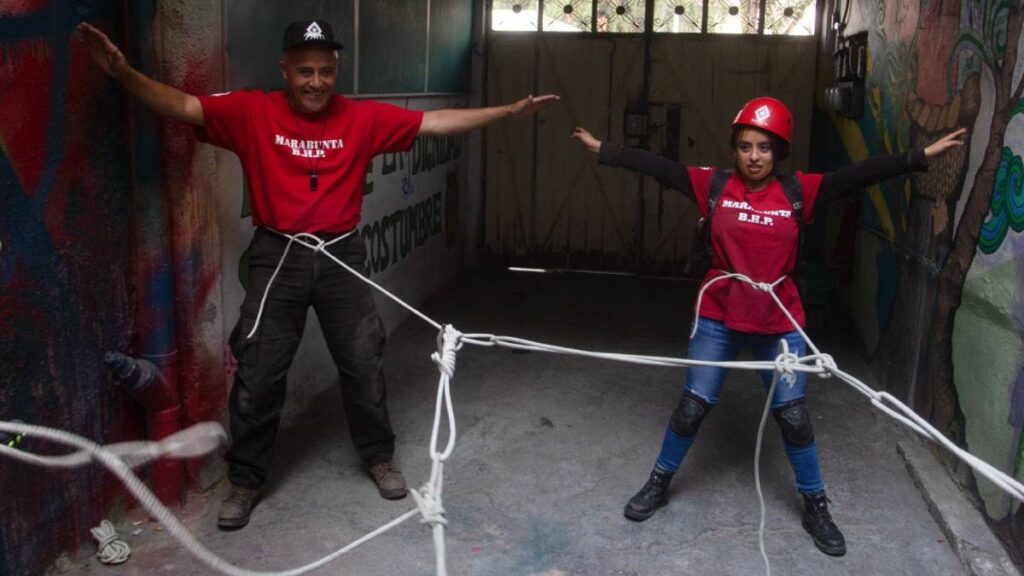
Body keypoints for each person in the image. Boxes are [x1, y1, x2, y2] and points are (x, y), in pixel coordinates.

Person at [78, 18, 559, 531]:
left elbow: (435, 122)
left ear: (337, 71)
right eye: (305, 70)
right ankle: (245, 480)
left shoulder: (362, 118)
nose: (316, 82)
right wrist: (125, 73)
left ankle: (378, 457)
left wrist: (508, 111)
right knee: (260, 373)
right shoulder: (251, 111)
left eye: (326, 71)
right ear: (284, 69)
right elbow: (182, 106)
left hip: (341, 256)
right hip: (277, 256)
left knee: (363, 362)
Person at [571, 97, 964, 556]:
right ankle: (659, 482)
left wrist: (919, 158)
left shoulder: (800, 192)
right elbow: (658, 167)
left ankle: (816, 504)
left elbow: (859, 174)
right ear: (734, 149)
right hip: (719, 316)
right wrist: (603, 149)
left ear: (778, 153)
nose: (753, 156)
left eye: (763, 148)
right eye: (744, 146)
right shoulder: (712, 185)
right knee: (692, 408)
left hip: (779, 322)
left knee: (794, 419)